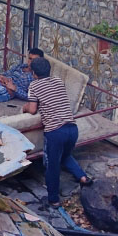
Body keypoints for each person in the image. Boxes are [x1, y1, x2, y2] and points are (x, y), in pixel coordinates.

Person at [22, 58, 90, 207]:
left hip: (55, 132)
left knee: (52, 165)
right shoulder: (58, 81)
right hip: (72, 128)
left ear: (34, 73)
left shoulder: (34, 85)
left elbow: (33, 109)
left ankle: (53, 200)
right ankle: (83, 177)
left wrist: (25, 107)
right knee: (65, 156)